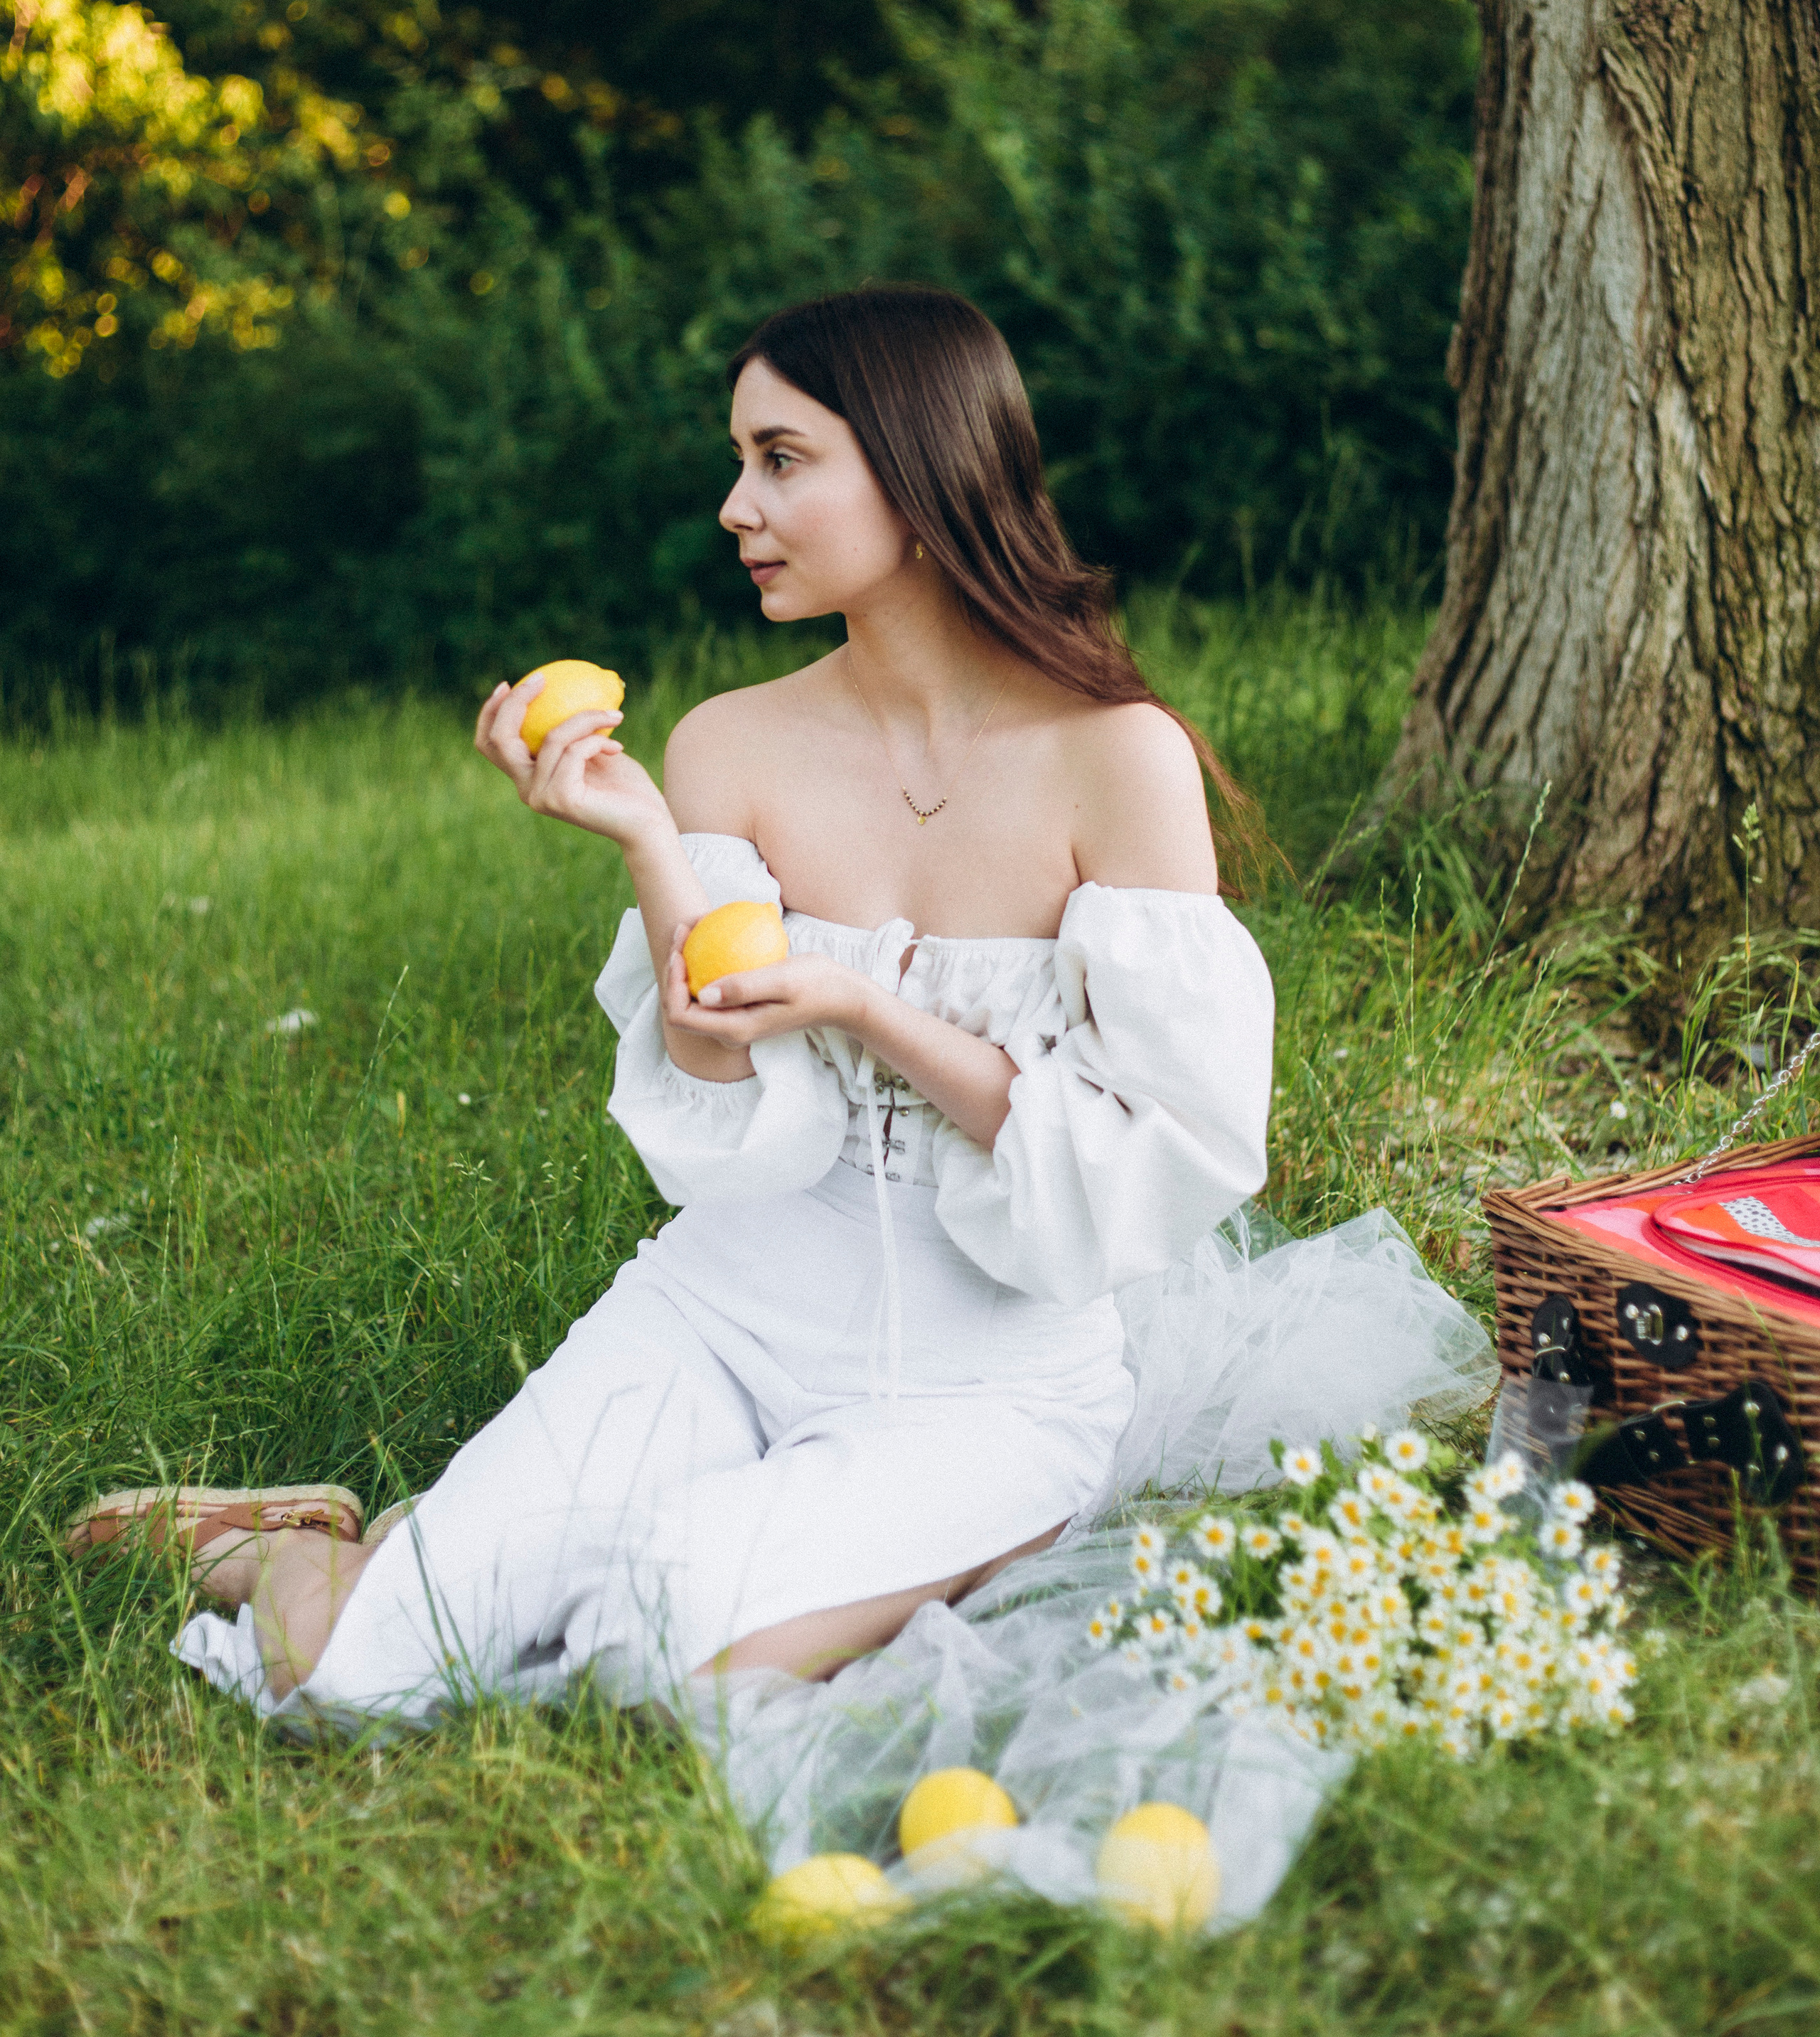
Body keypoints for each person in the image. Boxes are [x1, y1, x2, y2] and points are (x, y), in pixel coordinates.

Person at [76, 284, 1493, 1738]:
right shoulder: (727, 742)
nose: (734, 505)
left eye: (780, 459)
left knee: (649, 1655)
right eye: (741, 461)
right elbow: (711, 1052)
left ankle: (734, 1537)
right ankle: (294, 1553)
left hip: (987, 1383)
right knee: (362, 1680)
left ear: (918, 462)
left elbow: (1152, 1138)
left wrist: (869, 1013)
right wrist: (641, 840)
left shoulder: (1114, 758)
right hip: (723, 1312)